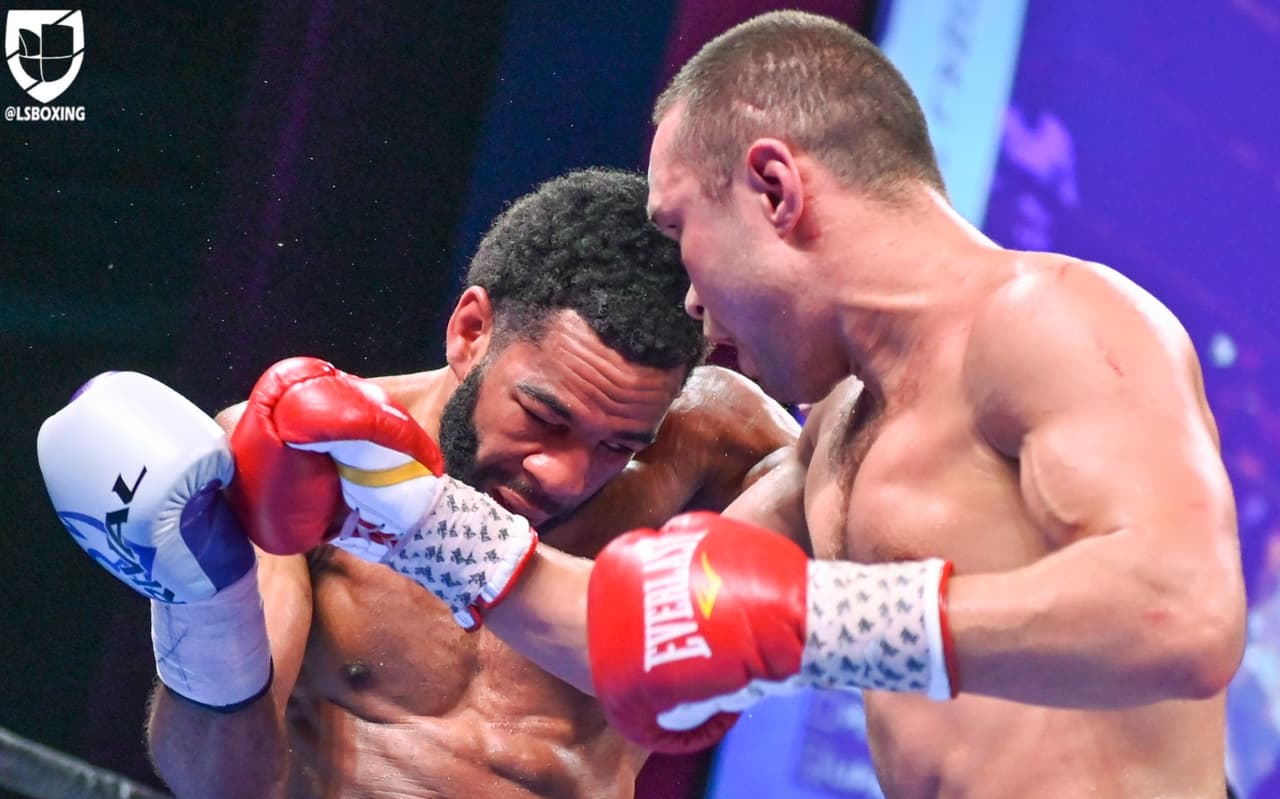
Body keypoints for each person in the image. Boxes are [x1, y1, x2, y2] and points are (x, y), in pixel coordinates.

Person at [580, 11, 1248, 799]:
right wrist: (433, 525)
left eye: (678, 226)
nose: (690, 297)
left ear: (774, 189)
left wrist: (831, 624)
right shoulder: (836, 428)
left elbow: (1184, 616)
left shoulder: (1052, 317)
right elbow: (641, 619)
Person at [37, 168, 799, 798]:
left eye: (618, 446)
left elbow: (874, 489)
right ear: (472, 332)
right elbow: (221, 786)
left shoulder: (705, 444)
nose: (563, 473)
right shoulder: (307, 455)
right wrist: (209, 613)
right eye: (544, 416)